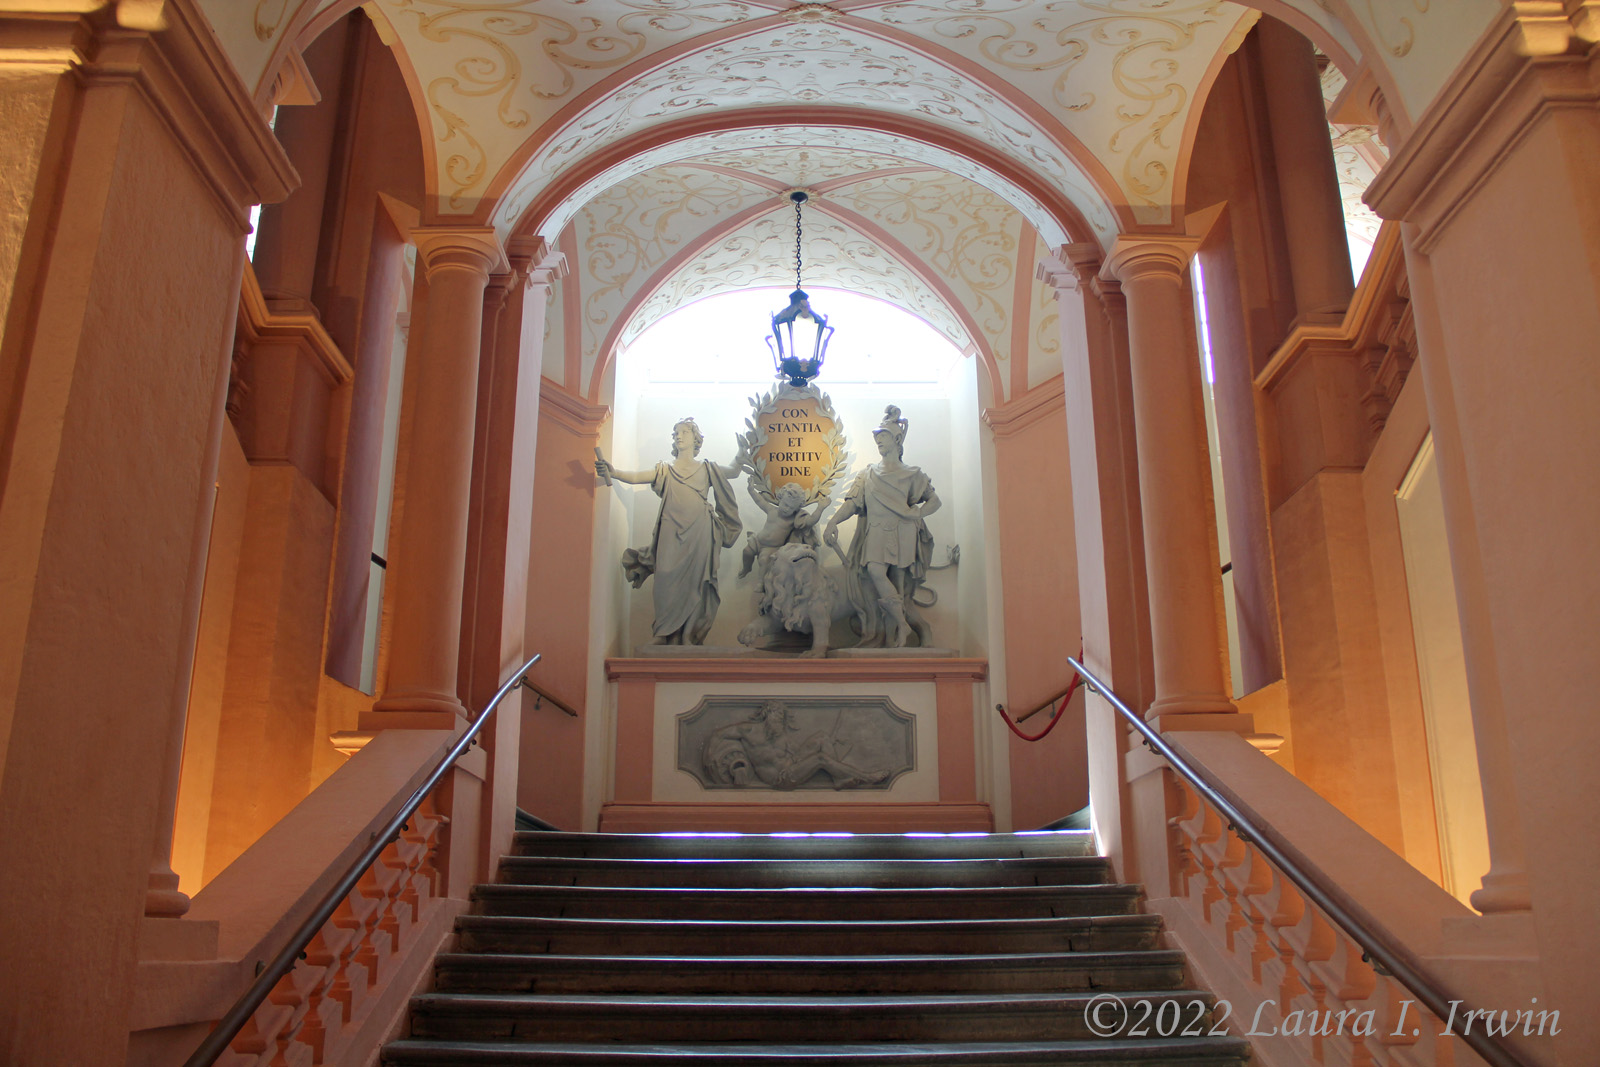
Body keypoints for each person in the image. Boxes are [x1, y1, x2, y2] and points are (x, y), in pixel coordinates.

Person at [596, 419, 745, 645]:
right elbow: (636, 477)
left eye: (684, 432)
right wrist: (614, 472)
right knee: (665, 577)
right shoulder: (665, 469)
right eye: (676, 433)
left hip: (700, 530)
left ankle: (687, 636)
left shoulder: (707, 468)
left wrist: (742, 451)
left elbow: (733, 471)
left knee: (697, 582)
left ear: (696, 439)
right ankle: (664, 633)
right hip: (670, 529)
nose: (678, 436)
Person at [823, 405, 940, 647]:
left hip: (903, 531)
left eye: (883, 437)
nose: (879, 442)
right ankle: (902, 625)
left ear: (897, 439)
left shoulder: (912, 474)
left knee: (899, 586)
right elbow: (853, 503)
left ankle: (898, 635)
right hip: (875, 530)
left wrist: (916, 514)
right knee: (875, 572)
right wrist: (833, 521)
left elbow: (934, 501)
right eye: (877, 438)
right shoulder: (868, 474)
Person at [701, 700, 890, 790]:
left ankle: (837, 779)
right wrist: (710, 760)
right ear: (766, 714)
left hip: (792, 764)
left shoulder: (779, 733)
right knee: (820, 759)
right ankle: (865, 777)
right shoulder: (748, 731)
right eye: (777, 715)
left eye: (782, 717)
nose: (780, 720)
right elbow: (718, 735)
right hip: (781, 778)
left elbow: (791, 751)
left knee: (822, 738)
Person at [738, 480, 828, 579]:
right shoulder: (771, 510)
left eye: (791, 508)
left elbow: (810, 521)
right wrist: (751, 490)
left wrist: (820, 508)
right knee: (746, 552)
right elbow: (759, 501)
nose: (786, 509)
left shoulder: (793, 519)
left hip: (771, 547)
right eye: (785, 504)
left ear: (796, 509)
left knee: (764, 561)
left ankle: (761, 582)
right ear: (780, 499)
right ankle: (747, 568)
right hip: (757, 541)